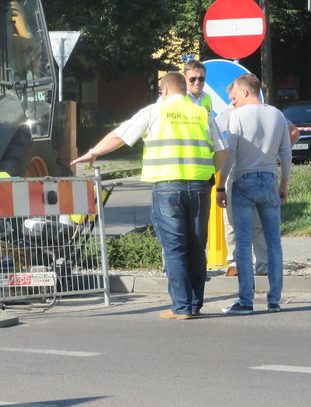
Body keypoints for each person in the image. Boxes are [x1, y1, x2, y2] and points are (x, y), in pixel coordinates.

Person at [72, 72, 227, 319]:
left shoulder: (154, 112)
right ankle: (195, 305)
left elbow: (119, 136)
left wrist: (93, 152)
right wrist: (210, 173)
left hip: (167, 187)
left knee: (175, 248)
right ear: (184, 89)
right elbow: (222, 152)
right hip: (199, 187)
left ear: (163, 91)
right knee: (197, 247)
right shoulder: (203, 114)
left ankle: (181, 307)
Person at [216, 73, 292, 315]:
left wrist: (220, 185)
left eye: (235, 96)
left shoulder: (238, 117)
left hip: (243, 182)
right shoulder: (277, 115)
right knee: (273, 243)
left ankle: (246, 301)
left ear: (246, 92)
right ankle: (274, 299)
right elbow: (287, 153)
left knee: (243, 243)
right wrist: (284, 185)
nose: (233, 101)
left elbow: (232, 155)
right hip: (270, 181)